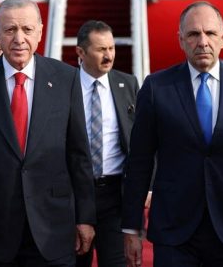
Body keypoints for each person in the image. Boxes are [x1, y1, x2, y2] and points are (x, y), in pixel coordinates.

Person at [122, 1, 223, 267]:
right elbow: (139, 162)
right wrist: (131, 228)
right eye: (194, 34)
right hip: (175, 233)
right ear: (181, 40)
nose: (203, 41)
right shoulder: (156, 88)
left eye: (210, 33)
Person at [0, 0, 96, 266]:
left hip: (53, 228)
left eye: (27, 29)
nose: (19, 38)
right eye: (10, 30)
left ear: (40, 31)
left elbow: (78, 153)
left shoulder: (66, 79)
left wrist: (86, 217)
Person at [74, 20, 139, 267]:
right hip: (76, 196)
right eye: (101, 49)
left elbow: (141, 141)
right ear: (80, 52)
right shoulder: (64, 86)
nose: (109, 55)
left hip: (114, 196)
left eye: (111, 48)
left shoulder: (128, 84)